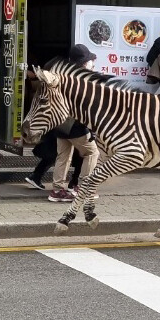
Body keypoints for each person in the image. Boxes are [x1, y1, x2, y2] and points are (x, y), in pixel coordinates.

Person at [48, 44, 102, 203]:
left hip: (60, 123)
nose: (92, 63)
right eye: (90, 60)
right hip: (75, 125)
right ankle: (83, 188)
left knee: (63, 156)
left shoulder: (63, 74)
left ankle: (57, 190)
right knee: (92, 153)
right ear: (84, 63)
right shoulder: (82, 79)